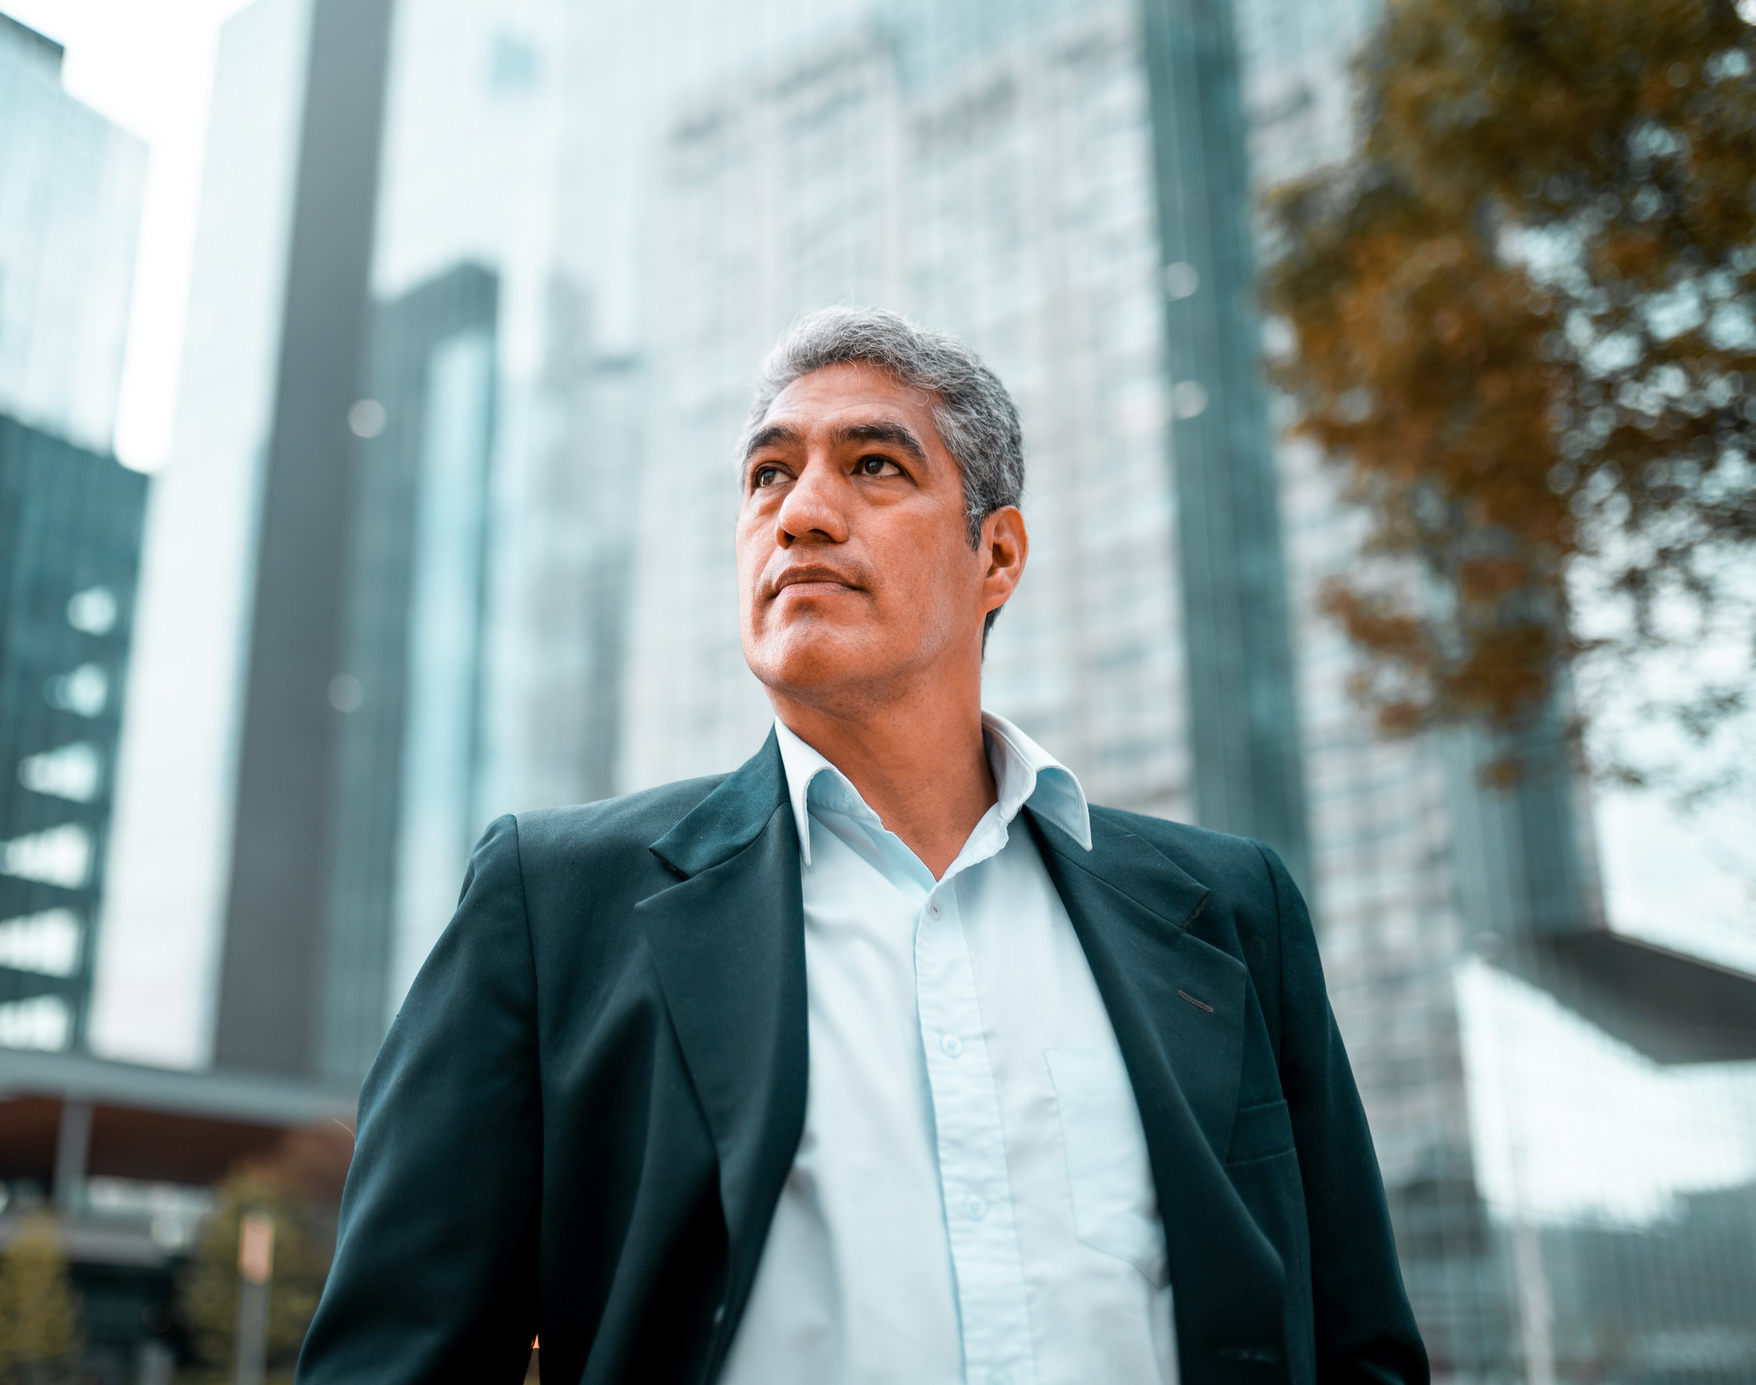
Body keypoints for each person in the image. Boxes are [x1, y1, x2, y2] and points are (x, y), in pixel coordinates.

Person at [297, 307, 1428, 1385]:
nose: (800, 512)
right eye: (767, 475)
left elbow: (1355, 1344)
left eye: (874, 465)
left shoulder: (1229, 910)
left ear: (998, 555)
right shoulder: (552, 908)